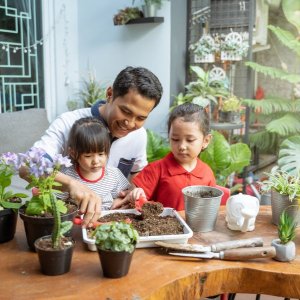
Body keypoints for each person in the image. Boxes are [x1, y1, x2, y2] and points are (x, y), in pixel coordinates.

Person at [21, 66, 163, 227]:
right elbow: (27, 166)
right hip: (68, 224)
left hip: (110, 224)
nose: (130, 123)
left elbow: (136, 173)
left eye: (140, 118)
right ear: (110, 94)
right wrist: (72, 184)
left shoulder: (139, 135)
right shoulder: (68, 123)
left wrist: (131, 194)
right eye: (125, 111)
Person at [130, 102, 216, 211]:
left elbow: (210, 209)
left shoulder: (207, 173)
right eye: (175, 139)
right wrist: (137, 195)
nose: (182, 146)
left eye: (190, 140)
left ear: (206, 141)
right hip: (161, 227)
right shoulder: (155, 169)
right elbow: (137, 200)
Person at [59, 117, 141, 210]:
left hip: (107, 222)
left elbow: (125, 196)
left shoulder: (113, 175)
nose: (96, 161)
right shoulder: (67, 175)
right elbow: (58, 204)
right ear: (73, 153)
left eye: (101, 154)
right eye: (88, 156)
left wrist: (127, 197)